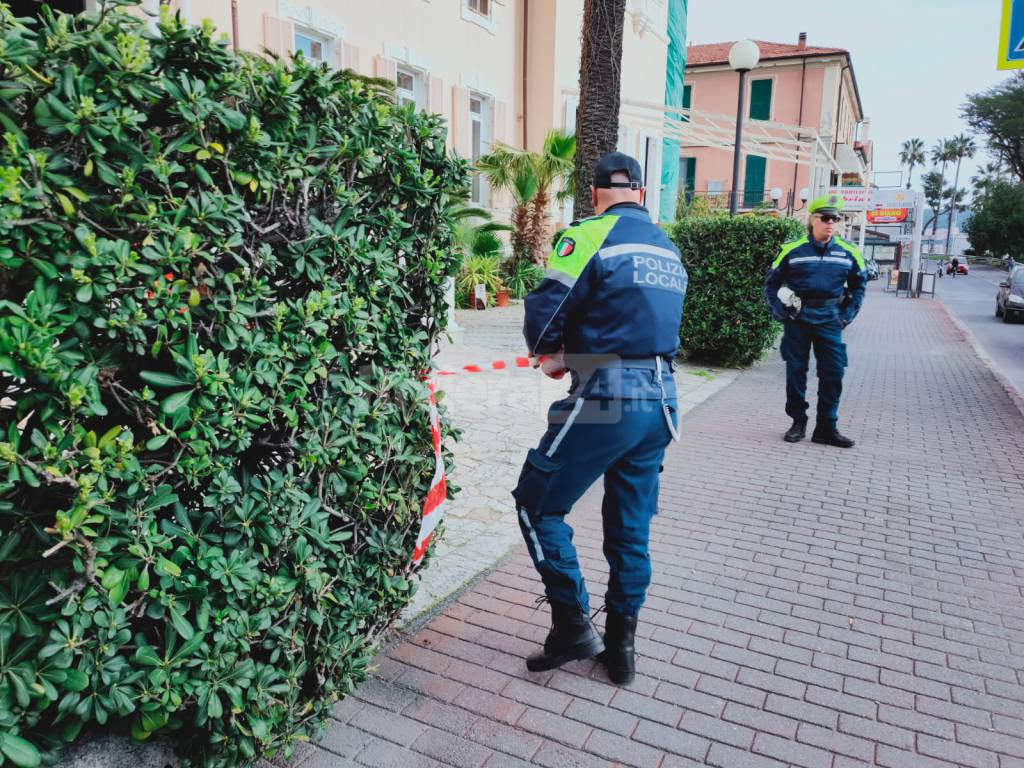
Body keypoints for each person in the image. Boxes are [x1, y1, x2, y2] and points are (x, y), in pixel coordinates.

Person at [513, 152, 687, 685]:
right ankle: (622, 652)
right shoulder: (668, 248)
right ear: (639, 192)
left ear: (594, 193)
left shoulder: (588, 234)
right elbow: (640, 332)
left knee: (535, 505)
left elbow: (547, 310)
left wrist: (551, 354)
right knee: (631, 531)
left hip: (607, 397)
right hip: (662, 402)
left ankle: (571, 625)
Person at [763, 194, 866, 448]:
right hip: (798, 318)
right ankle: (798, 422)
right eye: (825, 218)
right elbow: (771, 284)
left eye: (835, 218)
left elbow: (859, 286)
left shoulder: (849, 252)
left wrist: (845, 317)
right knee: (796, 372)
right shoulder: (792, 250)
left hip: (830, 320)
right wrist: (779, 311)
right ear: (813, 220)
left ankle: (826, 428)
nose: (831, 223)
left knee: (833, 373)